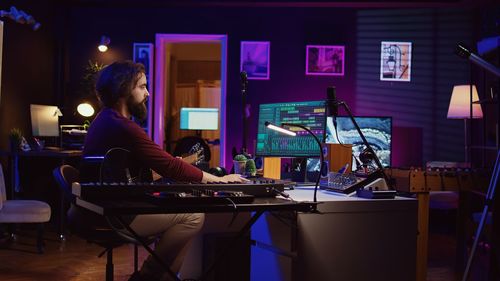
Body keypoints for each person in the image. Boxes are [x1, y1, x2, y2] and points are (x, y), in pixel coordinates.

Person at [80, 60, 247, 281]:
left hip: (97, 207)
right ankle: (147, 278)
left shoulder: (106, 119)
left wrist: (168, 167)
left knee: (182, 213)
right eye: (142, 86)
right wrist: (220, 179)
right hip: (114, 213)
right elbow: (169, 165)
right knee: (193, 217)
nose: (148, 93)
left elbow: (131, 170)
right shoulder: (123, 126)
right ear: (123, 88)